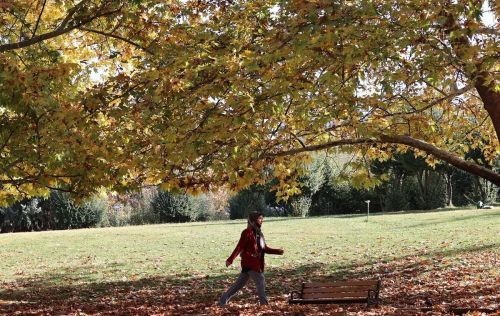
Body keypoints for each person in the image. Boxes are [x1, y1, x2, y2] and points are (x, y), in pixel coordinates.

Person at [218, 211, 284, 306]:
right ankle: (264, 304)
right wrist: (230, 259)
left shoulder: (259, 234)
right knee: (260, 280)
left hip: (254, 263)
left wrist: (277, 251)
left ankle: (222, 301)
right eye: (259, 218)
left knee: (238, 285)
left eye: (262, 219)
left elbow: (264, 248)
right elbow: (239, 247)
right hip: (250, 263)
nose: (262, 221)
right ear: (253, 220)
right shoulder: (246, 232)